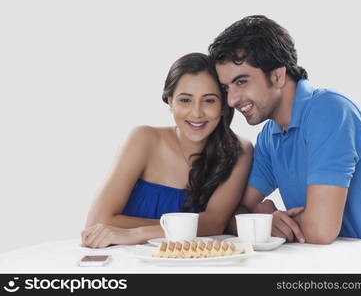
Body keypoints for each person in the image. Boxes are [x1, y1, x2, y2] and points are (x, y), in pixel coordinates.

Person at [208, 15, 361, 272]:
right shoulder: (270, 135)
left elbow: (321, 229)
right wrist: (265, 220)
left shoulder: (330, 111)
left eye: (241, 82)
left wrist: (264, 223)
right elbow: (233, 210)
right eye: (226, 87)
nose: (231, 100)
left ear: (277, 75)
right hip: (329, 269)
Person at [81, 53, 252, 249]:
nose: (196, 113)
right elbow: (97, 222)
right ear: (170, 101)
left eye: (209, 101)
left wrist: (136, 233)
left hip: (194, 266)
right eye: (185, 100)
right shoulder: (143, 139)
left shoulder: (239, 150)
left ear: (223, 105)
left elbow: (214, 223)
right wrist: (187, 228)